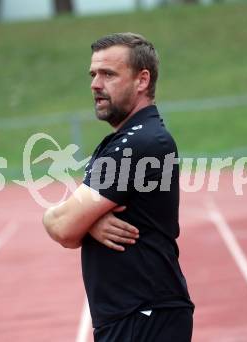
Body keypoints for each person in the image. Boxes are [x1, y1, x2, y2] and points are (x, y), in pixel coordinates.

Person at [42, 32, 194, 341]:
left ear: (142, 80)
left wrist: (80, 222)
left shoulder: (140, 142)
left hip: (144, 316)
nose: (95, 84)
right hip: (133, 315)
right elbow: (65, 224)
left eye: (108, 74)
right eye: (93, 74)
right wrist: (88, 222)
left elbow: (63, 226)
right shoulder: (128, 139)